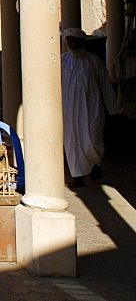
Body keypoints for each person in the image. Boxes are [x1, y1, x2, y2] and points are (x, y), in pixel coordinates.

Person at [61, 27, 119, 186]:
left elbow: (105, 85)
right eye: (70, 40)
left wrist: (113, 109)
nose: (72, 43)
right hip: (69, 108)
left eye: (76, 40)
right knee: (72, 141)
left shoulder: (93, 60)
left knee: (93, 139)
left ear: (82, 41)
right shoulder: (61, 60)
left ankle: (95, 164)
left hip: (92, 106)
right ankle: (77, 177)